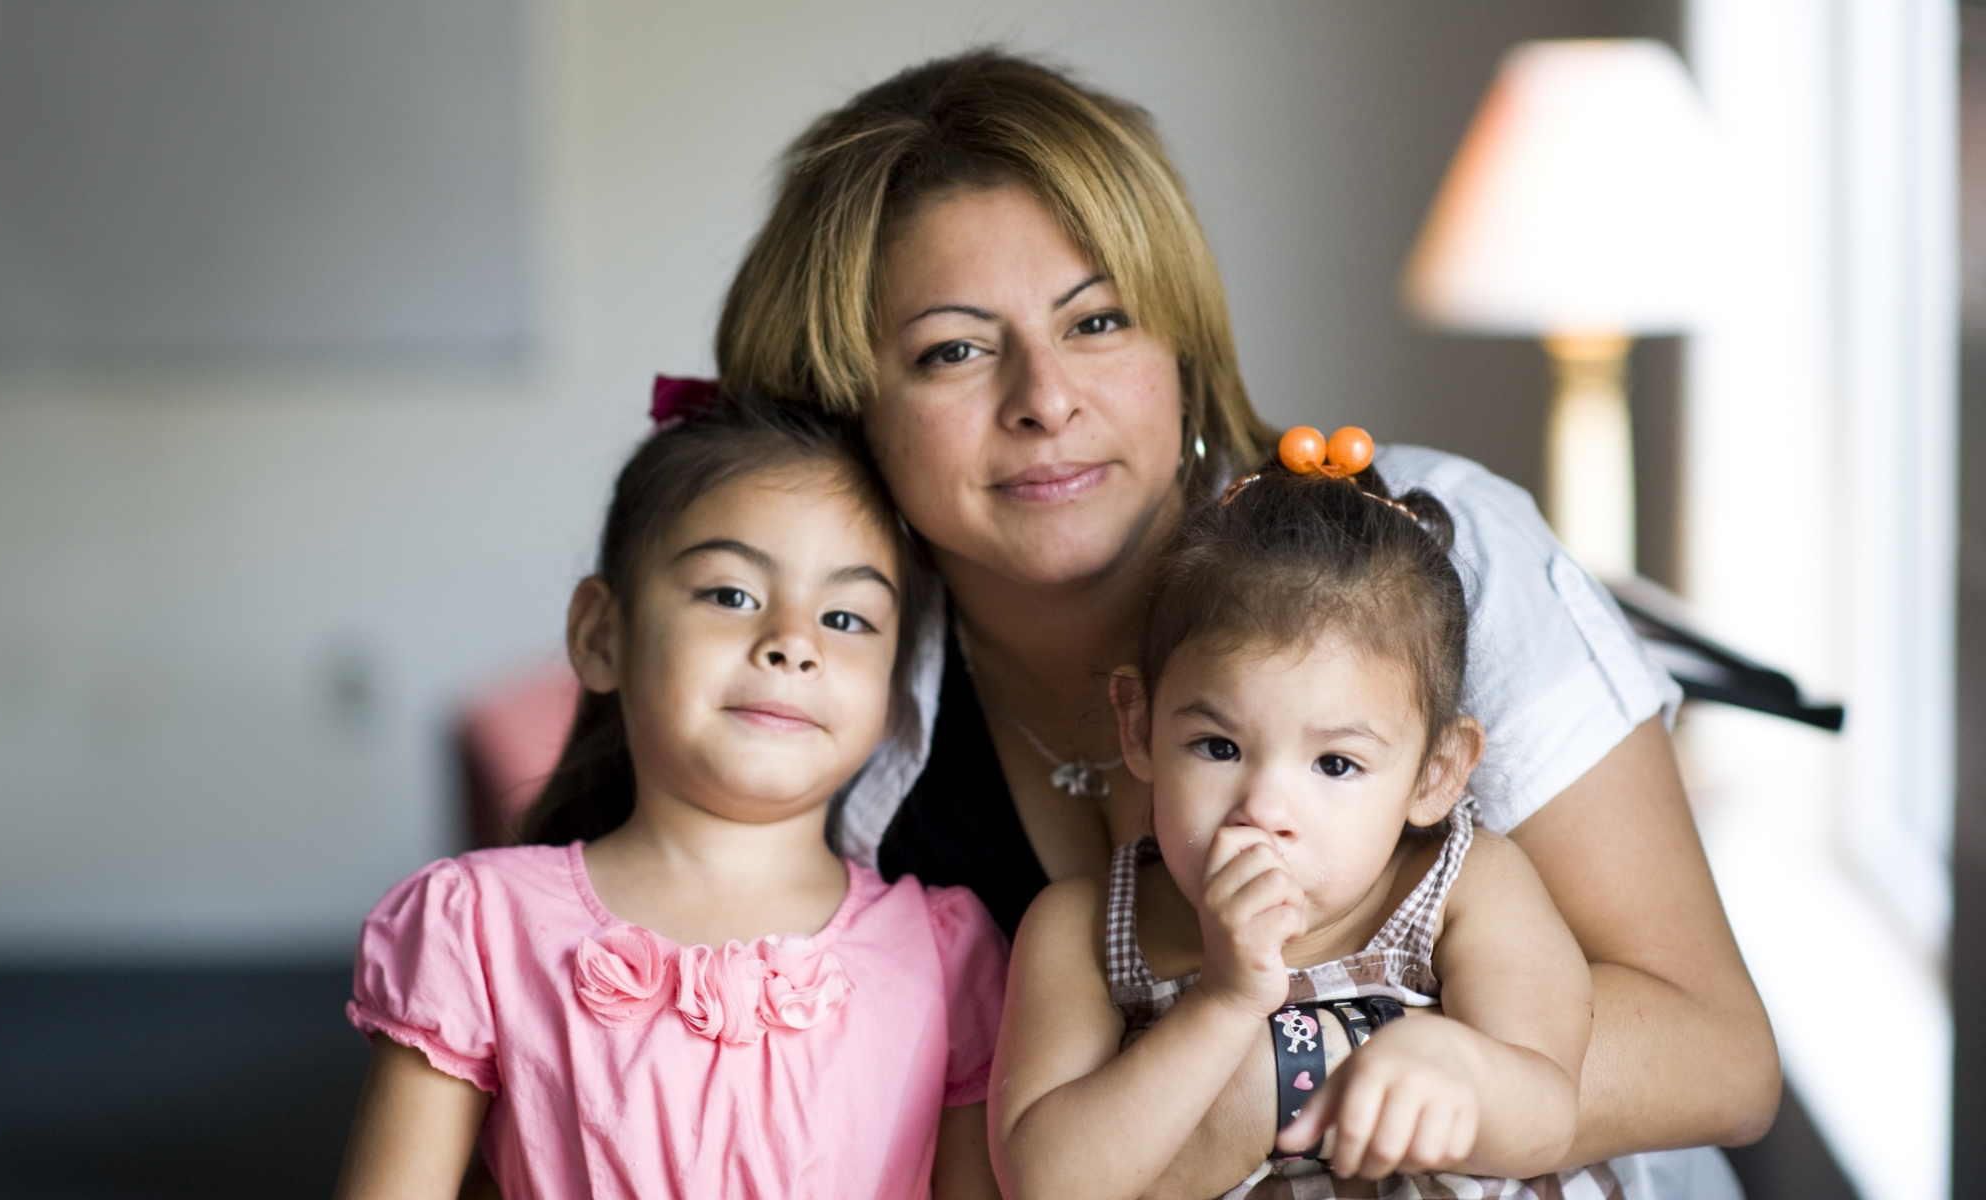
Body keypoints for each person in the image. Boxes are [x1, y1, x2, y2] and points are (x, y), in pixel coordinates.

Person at [715, 50, 1777, 1197]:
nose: (1044, 399)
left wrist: (1277, 1082)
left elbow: (1715, 1055)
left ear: (1181, 344)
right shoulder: (809, 686)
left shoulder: (1431, 549)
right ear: (843, 407)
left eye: (1098, 320)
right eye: (953, 351)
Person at [333, 396, 1006, 1200]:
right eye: (731, 595)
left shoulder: (946, 954)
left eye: (845, 616)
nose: (794, 643)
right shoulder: (477, 926)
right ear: (601, 635)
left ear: (899, 691)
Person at [995, 439, 1619, 1199]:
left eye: (1335, 765)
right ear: (1139, 727)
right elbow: (1049, 1183)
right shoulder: (1086, 928)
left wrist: (1465, 1068)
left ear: (1436, 774)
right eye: (1219, 746)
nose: (1264, 809)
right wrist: (1225, 1001)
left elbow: (1550, 1114)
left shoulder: (1464, 887)